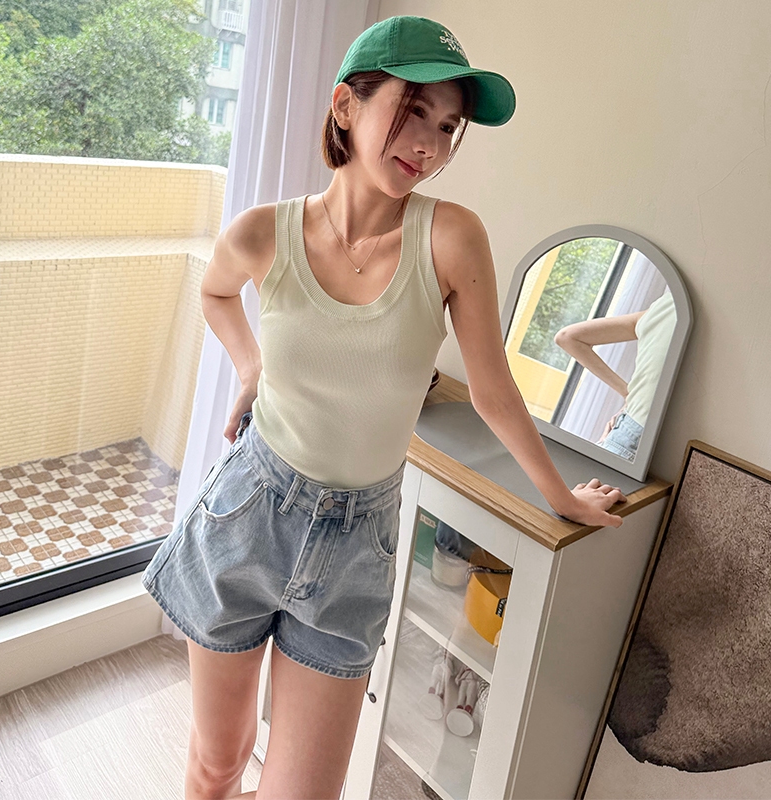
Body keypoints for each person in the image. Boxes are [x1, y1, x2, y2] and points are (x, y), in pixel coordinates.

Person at [141, 15, 627, 800]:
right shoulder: (265, 233)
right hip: (248, 514)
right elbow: (216, 292)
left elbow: (494, 390)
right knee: (217, 765)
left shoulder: (450, 238)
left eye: (449, 126)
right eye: (415, 110)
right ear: (346, 105)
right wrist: (251, 365)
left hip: (355, 546)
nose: (430, 144)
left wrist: (560, 496)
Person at [554, 290, 677, 462]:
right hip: (653, 436)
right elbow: (567, 338)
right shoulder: (683, 309)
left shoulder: (664, 307)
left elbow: (567, 337)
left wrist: (627, 393)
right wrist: (628, 394)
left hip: (631, 429)